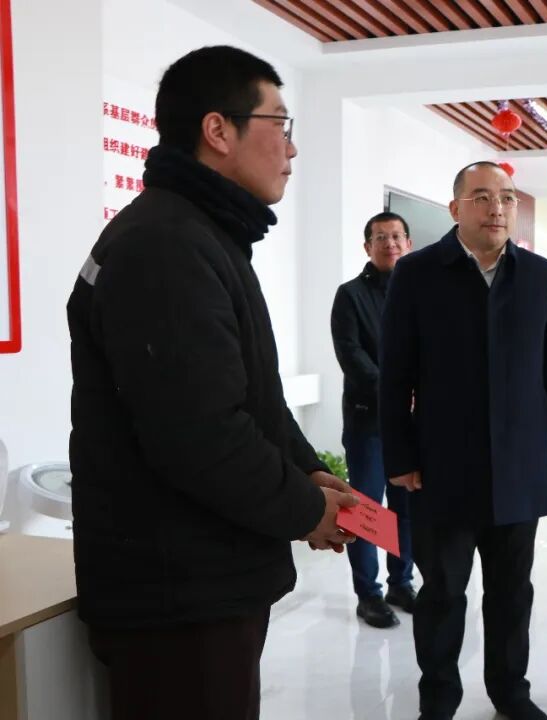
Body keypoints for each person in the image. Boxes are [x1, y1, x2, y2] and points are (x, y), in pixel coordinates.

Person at [67, 46, 358, 720]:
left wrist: (307, 471)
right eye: (279, 123)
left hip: (198, 582)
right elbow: (200, 437)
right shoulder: (165, 245)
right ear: (218, 130)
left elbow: (250, 396)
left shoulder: (197, 235)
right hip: (176, 596)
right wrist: (304, 509)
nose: (291, 148)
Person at [379, 161, 547, 720]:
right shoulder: (417, 273)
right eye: (483, 197)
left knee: (512, 592)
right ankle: (438, 697)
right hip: (442, 466)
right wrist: (400, 457)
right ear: (455, 208)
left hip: (519, 465)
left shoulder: (538, 274)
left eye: (507, 198)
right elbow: (395, 374)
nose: (497, 209)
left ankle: (510, 691)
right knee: (442, 592)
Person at [331, 211, 416, 628]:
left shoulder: (421, 294)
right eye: (381, 237)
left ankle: (402, 583)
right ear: (368, 246)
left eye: (397, 236)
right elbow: (351, 354)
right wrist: (396, 395)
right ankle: (369, 594)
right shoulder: (350, 295)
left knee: (407, 505)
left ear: (409, 243)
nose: (390, 244)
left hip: (414, 422)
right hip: (370, 422)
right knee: (365, 507)